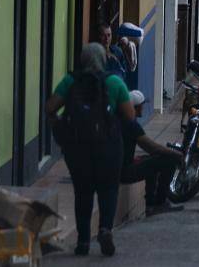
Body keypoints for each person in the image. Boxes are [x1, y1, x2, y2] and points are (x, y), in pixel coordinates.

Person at [46, 43, 135, 257]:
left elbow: (50, 108)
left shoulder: (70, 81)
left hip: (77, 149)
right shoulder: (114, 82)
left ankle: (83, 242)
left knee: (83, 193)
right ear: (103, 60)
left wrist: (62, 128)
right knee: (108, 190)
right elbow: (130, 116)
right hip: (108, 148)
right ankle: (105, 229)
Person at [120, 90, 184, 216]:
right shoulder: (131, 124)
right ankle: (159, 203)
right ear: (136, 107)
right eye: (142, 105)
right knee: (168, 159)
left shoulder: (121, 120)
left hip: (118, 168)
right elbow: (151, 147)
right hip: (124, 172)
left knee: (152, 160)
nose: (143, 108)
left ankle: (151, 202)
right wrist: (175, 154)